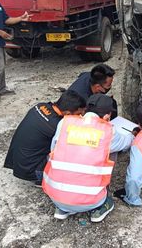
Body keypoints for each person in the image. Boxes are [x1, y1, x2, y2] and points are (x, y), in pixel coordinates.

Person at [42, 94, 134, 222]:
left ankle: (63, 208)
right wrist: (133, 134)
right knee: (112, 150)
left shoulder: (64, 122)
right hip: (90, 201)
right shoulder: (108, 130)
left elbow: (53, 149)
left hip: (55, 195)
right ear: (107, 116)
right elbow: (126, 142)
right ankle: (99, 208)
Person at [4, 90, 86, 185]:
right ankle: (41, 179)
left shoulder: (41, 106)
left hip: (16, 161)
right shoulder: (57, 126)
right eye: (79, 114)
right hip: (31, 171)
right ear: (68, 113)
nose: (81, 116)